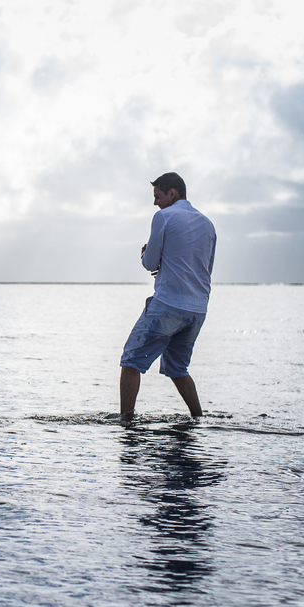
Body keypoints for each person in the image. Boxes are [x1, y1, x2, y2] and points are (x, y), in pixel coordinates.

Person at [119, 172, 216, 421]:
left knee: (130, 361)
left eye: (157, 196)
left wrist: (146, 254)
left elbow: (150, 262)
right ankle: (198, 418)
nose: (155, 203)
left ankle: (126, 423)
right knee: (178, 368)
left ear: (172, 193)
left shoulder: (164, 216)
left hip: (168, 305)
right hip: (197, 309)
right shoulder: (208, 224)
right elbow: (204, 268)